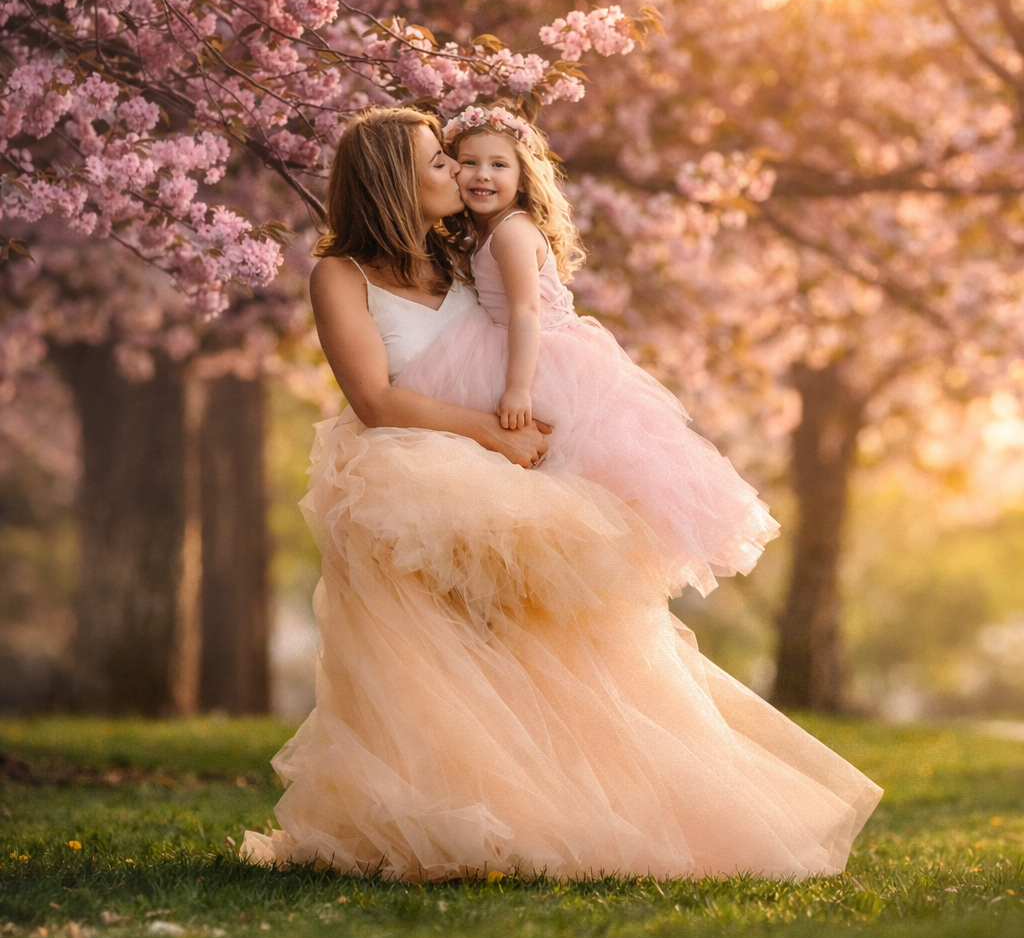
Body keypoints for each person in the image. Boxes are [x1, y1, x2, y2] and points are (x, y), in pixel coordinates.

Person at [242, 105, 881, 882]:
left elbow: (530, 323)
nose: (457, 172)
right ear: (394, 179)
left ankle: (579, 804)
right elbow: (375, 399)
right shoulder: (341, 275)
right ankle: (442, 806)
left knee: (559, 643)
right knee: (432, 660)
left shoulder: (461, 255)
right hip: (415, 468)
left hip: (506, 463)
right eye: (438, 162)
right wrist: (493, 431)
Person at [397, 104, 778, 597]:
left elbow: (526, 315)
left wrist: (516, 388)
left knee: (563, 467)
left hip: (538, 356)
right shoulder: (487, 231)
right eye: (467, 162)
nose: (481, 175)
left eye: (498, 165)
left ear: (522, 176)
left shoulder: (511, 233)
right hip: (512, 344)